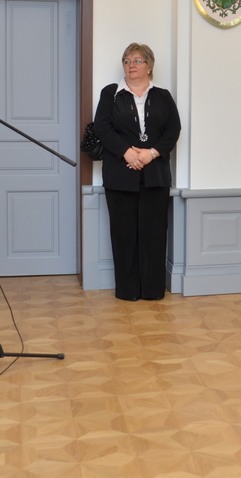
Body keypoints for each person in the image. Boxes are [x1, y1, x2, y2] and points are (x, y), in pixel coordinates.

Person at [93, 43, 181, 302]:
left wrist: (151, 153)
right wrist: (127, 153)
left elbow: (173, 129)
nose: (131, 65)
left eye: (138, 60)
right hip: (120, 175)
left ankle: (152, 290)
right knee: (123, 235)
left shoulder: (163, 95)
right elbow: (102, 127)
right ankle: (128, 291)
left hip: (156, 176)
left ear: (149, 67)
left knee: (154, 234)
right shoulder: (111, 93)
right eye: (127, 61)